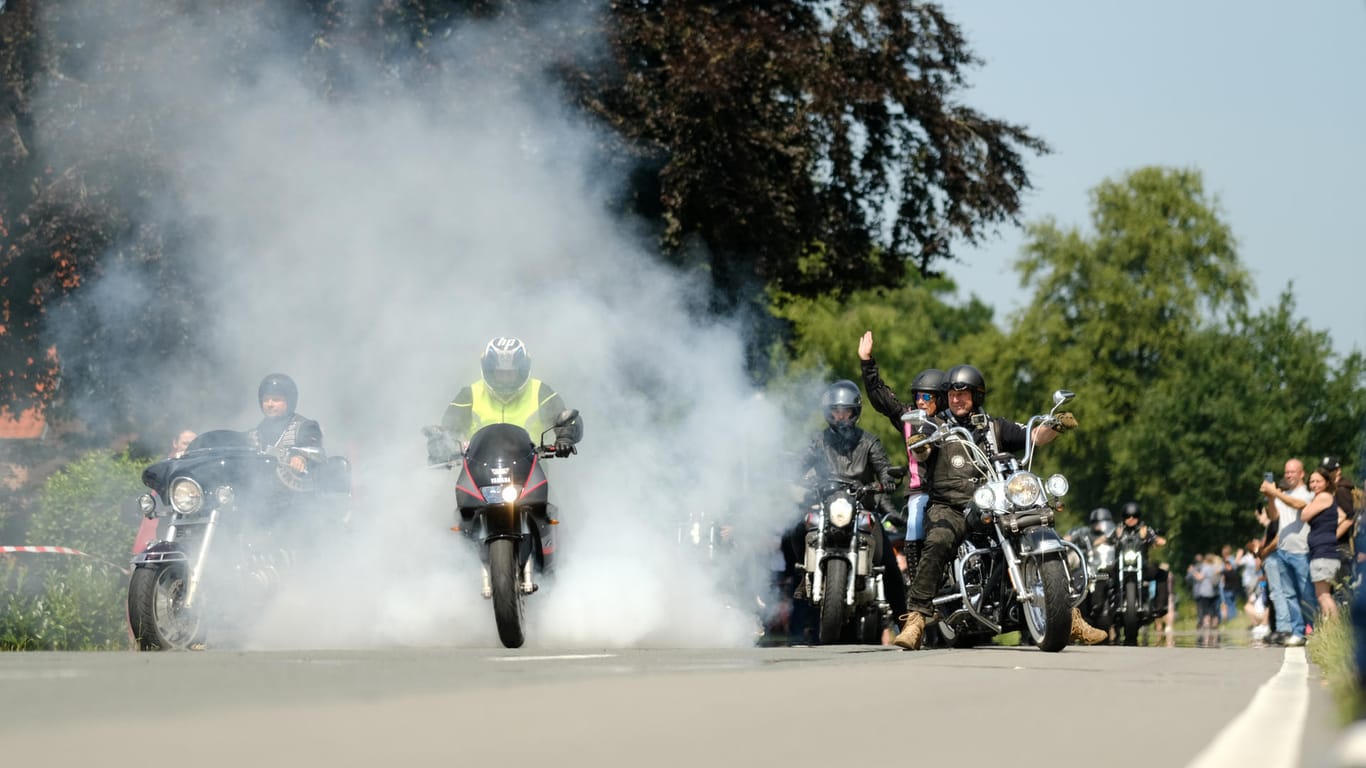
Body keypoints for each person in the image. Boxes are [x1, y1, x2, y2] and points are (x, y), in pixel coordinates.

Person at [891, 363, 1100, 649]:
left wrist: (1055, 425)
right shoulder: (936, 426)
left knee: (1037, 521)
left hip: (995, 503)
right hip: (952, 506)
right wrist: (920, 442)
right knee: (939, 539)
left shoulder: (994, 426)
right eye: (952, 393)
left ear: (977, 396)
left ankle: (1067, 614)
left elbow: (1033, 436)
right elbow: (923, 448)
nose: (956, 399)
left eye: (963, 394)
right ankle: (915, 618)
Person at [787, 379, 908, 641]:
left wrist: (885, 479)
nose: (840, 416)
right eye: (835, 411)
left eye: (846, 411)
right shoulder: (818, 441)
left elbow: (884, 468)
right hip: (826, 503)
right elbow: (799, 463)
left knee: (889, 564)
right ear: (828, 413)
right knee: (797, 529)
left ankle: (907, 624)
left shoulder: (869, 441)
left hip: (861, 505)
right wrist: (795, 473)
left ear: (855, 412)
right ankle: (801, 577)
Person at [857, 330, 944, 585]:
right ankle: (919, 588)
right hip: (921, 492)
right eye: (917, 395)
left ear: (940, 398)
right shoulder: (908, 418)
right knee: (915, 523)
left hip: (956, 492)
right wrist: (867, 363)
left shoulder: (954, 422)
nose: (920, 401)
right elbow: (881, 397)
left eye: (926, 396)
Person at [427, 337, 580, 462]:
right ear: (489, 371)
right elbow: (449, 427)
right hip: (477, 471)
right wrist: (440, 442)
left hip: (532, 470)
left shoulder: (540, 391)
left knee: (556, 499)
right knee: (446, 497)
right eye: (500, 373)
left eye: (511, 373)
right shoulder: (470, 394)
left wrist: (565, 436)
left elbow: (567, 418)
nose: (505, 379)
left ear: (521, 371)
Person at [1259, 459, 1315, 645]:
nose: (1289, 475)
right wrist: (1271, 498)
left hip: (1301, 551)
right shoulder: (1283, 495)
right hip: (1283, 551)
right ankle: (1298, 631)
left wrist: (1276, 492)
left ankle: (1313, 630)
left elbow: (1298, 505)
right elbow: (1274, 517)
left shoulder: (1306, 494)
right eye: (1286, 472)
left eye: (1293, 472)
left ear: (1302, 474)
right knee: (1289, 595)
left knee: (1306, 594)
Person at [249, 373, 325, 476]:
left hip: (295, 489)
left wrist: (301, 458)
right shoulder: (256, 433)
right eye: (266, 400)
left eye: (276, 399)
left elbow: (316, 453)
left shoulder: (307, 427)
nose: (270, 404)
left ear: (289, 401)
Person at [1302, 466, 1344, 622]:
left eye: (1318, 481)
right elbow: (1341, 516)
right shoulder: (1326, 498)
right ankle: (1332, 629)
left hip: (1323, 553)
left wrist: (1307, 505)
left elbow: (1304, 515)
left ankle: (1335, 629)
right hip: (1323, 551)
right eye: (1312, 481)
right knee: (1323, 594)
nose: (1314, 485)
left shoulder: (1323, 497)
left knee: (1323, 595)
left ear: (1327, 482)